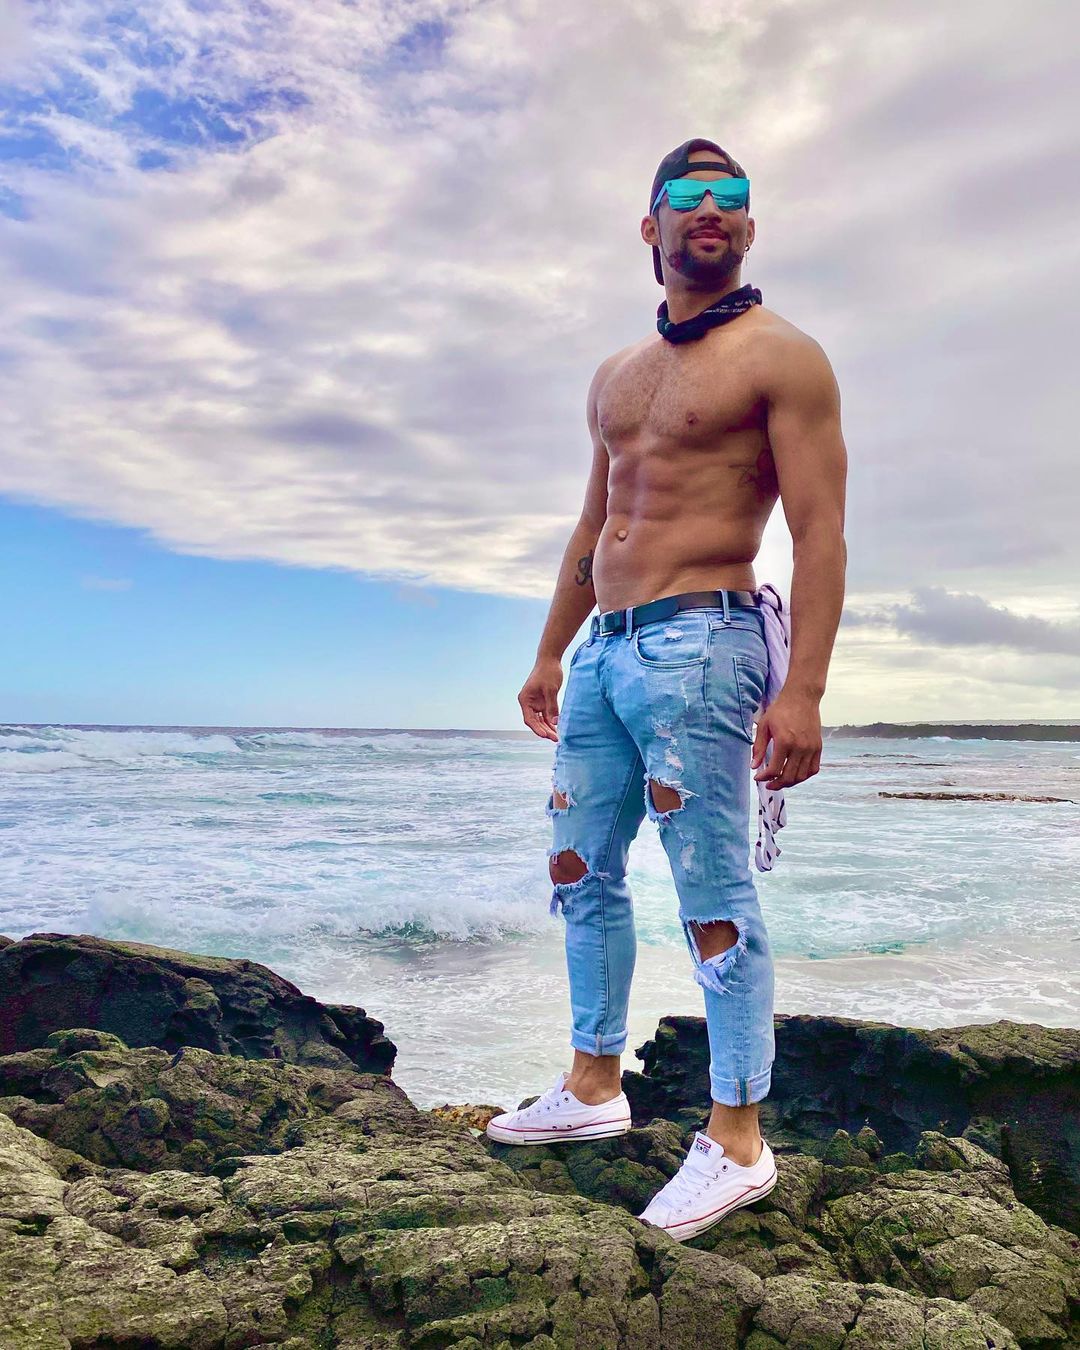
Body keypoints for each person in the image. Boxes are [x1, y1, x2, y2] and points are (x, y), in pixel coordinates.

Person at [486, 138, 848, 1244]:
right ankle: (593, 1084)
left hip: (705, 641)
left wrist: (805, 691)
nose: (710, 209)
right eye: (687, 195)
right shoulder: (617, 375)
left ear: (750, 227)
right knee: (579, 870)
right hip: (606, 649)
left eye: (730, 196)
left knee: (712, 890)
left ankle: (737, 1141)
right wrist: (551, 652)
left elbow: (821, 531)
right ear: (650, 226)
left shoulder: (783, 357)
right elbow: (594, 523)